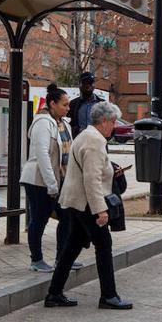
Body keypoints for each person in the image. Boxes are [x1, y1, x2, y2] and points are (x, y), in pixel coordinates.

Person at [46, 101, 132, 310]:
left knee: (72, 247)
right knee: (104, 246)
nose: (113, 126)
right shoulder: (94, 141)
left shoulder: (85, 135)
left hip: (76, 201)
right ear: (104, 121)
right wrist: (100, 210)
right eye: (112, 122)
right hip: (87, 204)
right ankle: (108, 296)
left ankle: (54, 293)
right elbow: (91, 179)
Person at [20, 83, 79, 272]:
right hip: (39, 181)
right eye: (65, 104)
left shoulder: (63, 123)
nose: (68, 108)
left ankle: (62, 258)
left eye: (68, 104)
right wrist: (51, 184)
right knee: (39, 219)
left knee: (67, 218)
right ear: (52, 104)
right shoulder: (43, 122)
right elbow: (42, 155)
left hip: (58, 180)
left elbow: (70, 152)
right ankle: (36, 260)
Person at [67, 71, 105, 138]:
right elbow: (68, 124)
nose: (87, 85)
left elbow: (110, 126)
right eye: (84, 83)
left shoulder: (103, 105)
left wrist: (102, 136)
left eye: (90, 83)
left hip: (98, 144)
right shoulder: (73, 104)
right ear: (80, 85)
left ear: (94, 85)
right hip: (78, 144)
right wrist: (77, 132)